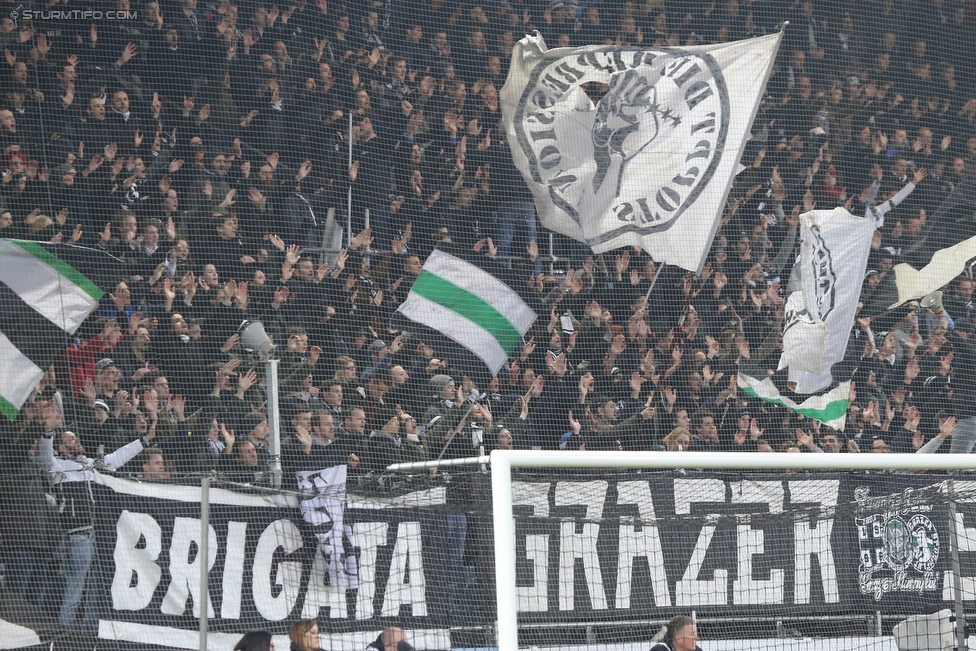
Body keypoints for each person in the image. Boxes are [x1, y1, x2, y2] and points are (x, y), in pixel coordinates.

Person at [38, 425, 157, 632]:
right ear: (60, 446)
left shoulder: (94, 465)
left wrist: (145, 440)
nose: (75, 441)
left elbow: (119, 457)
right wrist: (47, 433)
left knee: (97, 588)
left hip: (102, 536)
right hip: (79, 536)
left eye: (76, 437)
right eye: (69, 439)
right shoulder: (58, 467)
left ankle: (92, 631)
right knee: (75, 587)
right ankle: (64, 632)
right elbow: (45, 457)